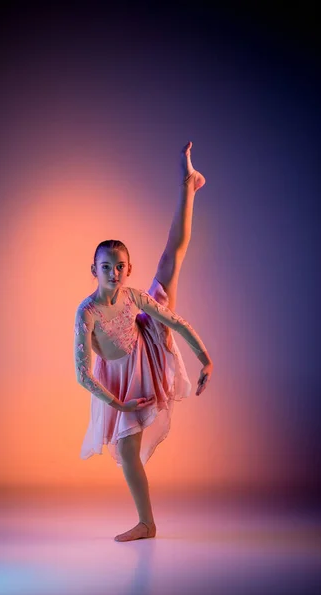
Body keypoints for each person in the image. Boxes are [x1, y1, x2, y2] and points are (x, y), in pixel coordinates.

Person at [74, 142, 213, 542]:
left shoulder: (134, 295)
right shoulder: (86, 312)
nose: (114, 273)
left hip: (147, 347)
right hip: (120, 382)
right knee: (127, 453)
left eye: (120, 267)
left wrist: (206, 359)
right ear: (94, 270)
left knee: (172, 259)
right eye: (106, 268)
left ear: (128, 268)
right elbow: (82, 374)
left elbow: (176, 321)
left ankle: (188, 185)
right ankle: (147, 523)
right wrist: (118, 404)